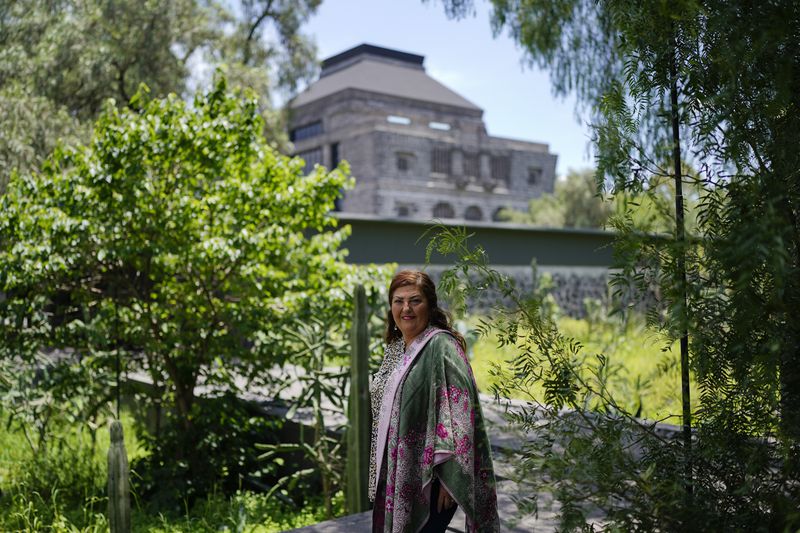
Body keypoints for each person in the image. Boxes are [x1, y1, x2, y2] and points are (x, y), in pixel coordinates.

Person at [369, 270, 500, 532]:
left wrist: (452, 478)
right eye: (398, 301)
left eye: (415, 300)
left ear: (430, 305)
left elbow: (462, 408)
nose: (406, 308)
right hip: (397, 468)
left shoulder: (442, 346)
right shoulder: (396, 349)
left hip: (436, 477)